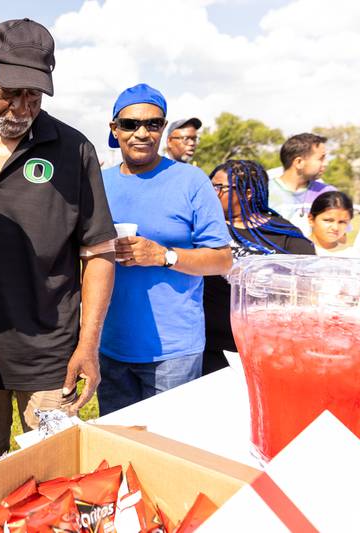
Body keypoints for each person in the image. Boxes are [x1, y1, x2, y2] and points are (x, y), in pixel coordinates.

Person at [0, 18, 117, 465]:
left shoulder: (74, 150)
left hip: (50, 359)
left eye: (33, 96)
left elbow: (98, 253)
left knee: (52, 477)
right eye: (10, 93)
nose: (21, 108)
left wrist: (88, 345)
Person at [98, 83, 232, 416]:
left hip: (174, 352)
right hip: (110, 345)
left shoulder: (192, 181)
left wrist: (164, 256)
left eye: (153, 124)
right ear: (114, 130)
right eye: (130, 124)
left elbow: (222, 259)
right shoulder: (99, 183)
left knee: (169, 449)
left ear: (162, 129)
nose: (141, 132)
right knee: (116, 449)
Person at [203, 160, 314, 375]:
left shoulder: (283, 234)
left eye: (219, 188)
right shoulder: (205, 229)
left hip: (268, 349)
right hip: (212, 347)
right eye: (210, 186)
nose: (212, 193)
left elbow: (307, 289)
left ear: (247, 193)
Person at [269, 133, 335, 235]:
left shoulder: (329, 194)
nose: (326, 163)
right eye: (320, 159)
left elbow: (341, 238)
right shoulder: (263, 192)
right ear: (299, 162)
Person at [308, 191, 355, 256]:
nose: (335, 228)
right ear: (311, 219)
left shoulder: (351, 255)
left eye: (342, 222)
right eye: (328, 220)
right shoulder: (296, 251)